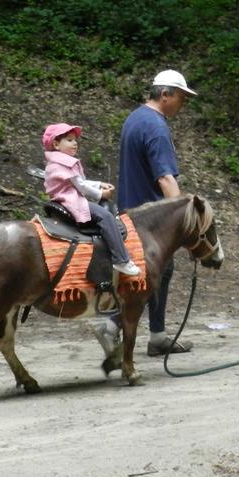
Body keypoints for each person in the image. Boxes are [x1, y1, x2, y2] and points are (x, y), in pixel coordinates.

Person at [96, 69, 198, 357]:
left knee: (159, 272)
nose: (183, 104)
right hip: (149, 218)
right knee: (150, 275)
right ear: (165, 94)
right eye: (181, 97)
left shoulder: (135, 118)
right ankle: (113, 325)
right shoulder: (156, 127)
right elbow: (165, 179)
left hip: (130, 211)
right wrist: (184, 222)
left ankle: (157, 335)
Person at [43, 122, 140, 277]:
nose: (75, 143)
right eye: (69, 140)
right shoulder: (64, 163)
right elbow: (80, 186)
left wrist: (99, 184)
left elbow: (79, 181)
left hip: (62, 199)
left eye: (75, 140)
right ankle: (121, 260)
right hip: (69, 200)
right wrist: (101, 195)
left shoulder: (56, 162)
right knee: (106, 216)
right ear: (56, 144)